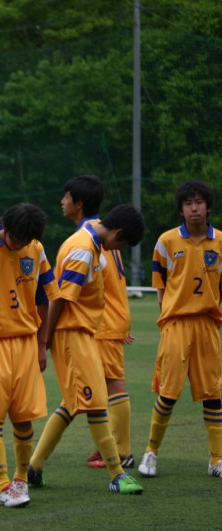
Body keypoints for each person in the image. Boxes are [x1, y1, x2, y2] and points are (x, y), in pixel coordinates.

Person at [27, 204, 145, 495]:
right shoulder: (83, 248)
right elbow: (60, 299)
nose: (118, 248)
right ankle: (117, 474)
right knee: (94, 404)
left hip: (82, 334)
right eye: (122, 244)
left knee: (73, 403)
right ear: (116, 233)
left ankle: (34, 466)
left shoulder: (89, 244)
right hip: (72, 335)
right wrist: (45, 339)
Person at [0, 203, 58, 508]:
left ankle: (20, 478)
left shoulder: (36, 248)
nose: (18, 244)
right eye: (16, 238)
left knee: (24, 417)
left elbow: (45, 299)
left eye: (25, 241)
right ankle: (2, 484)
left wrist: (42, 344)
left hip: (26, 344)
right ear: (5, 226)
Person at [138, 180, 222, 479]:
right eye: (188, 204)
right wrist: (171, 315)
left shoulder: (221, 242)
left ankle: (216, 459)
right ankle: (151, 453)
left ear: (208, 206)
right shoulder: (166, 241)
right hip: (176, 325)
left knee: (213, 393)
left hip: (208, 326)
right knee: (168, 393)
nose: (194, 208)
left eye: (199, 202)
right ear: (182, 209)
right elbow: (160, 285)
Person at [60, 175, 136, 469]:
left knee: (111, 386)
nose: (62, 202)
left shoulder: (91, 236)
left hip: (102, 320)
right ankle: (112, 446)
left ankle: (121, 451)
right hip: (113, 316)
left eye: (66, 197)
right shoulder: (102, 230)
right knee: (104, 386)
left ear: (78, 204)